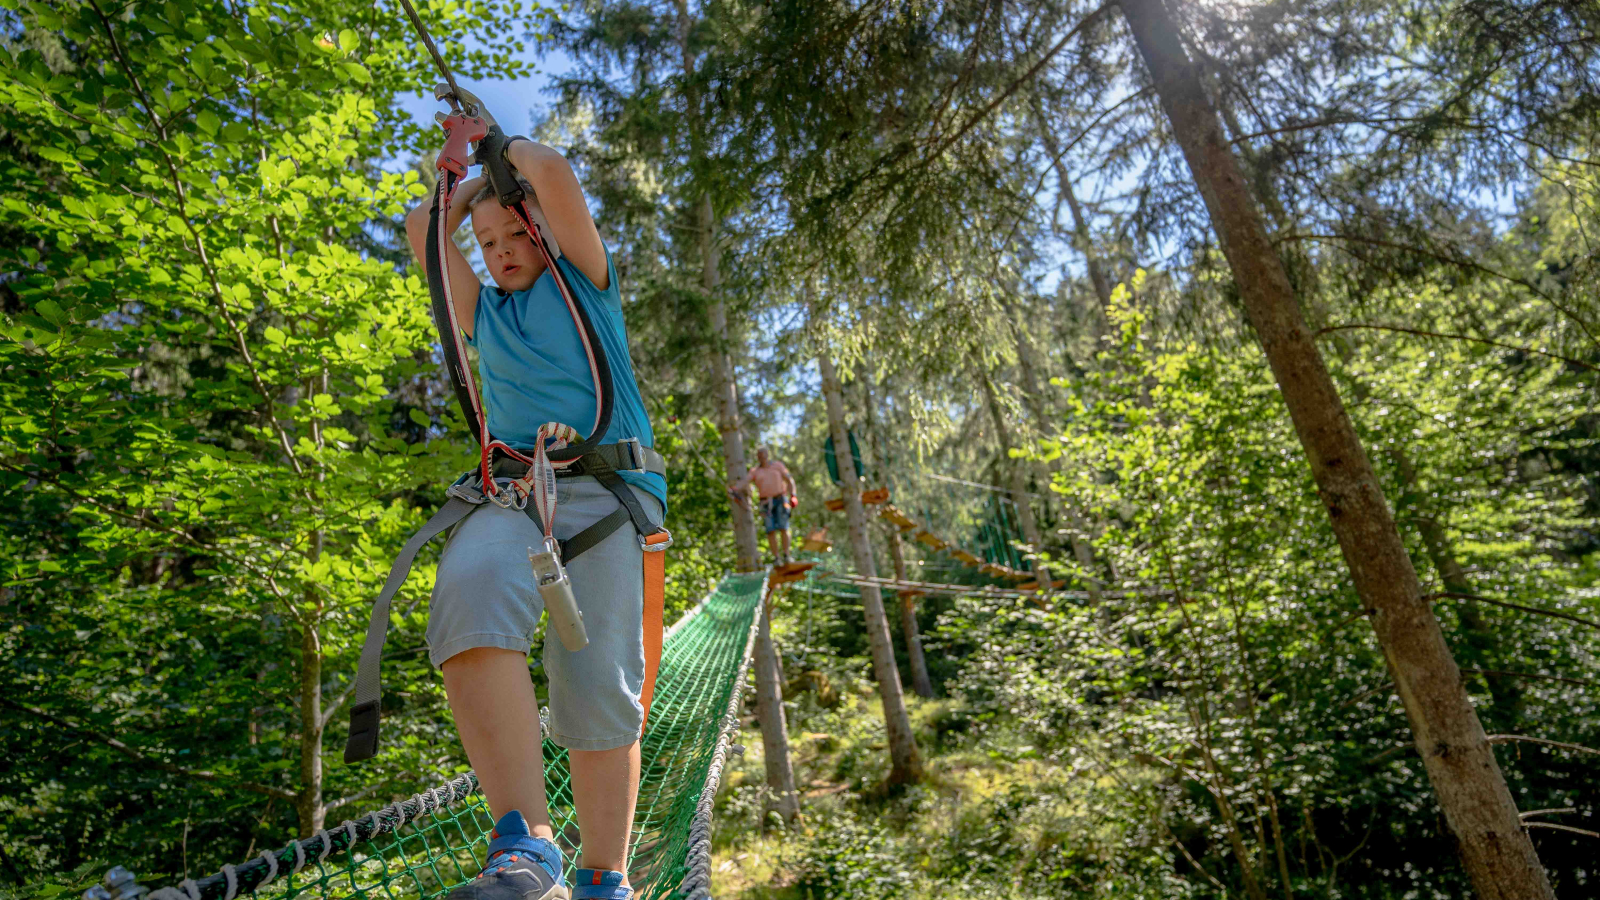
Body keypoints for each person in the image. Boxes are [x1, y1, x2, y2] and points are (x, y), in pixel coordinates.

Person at [404, 131, 666, 900]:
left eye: (517, 232)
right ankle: (526, 848)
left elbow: (548, 172)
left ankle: (602, 878)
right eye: (487, 242)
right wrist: (460, 183)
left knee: (597, 682)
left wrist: (497, 148)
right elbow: (422, 227)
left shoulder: (588, 287)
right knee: (469, 593)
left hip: (608, 495)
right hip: (515, 494)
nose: (500, 249)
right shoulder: (483, 315)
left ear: (545, 229)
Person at [730, 447, 799, 566]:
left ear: (768, 454)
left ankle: (787, 555)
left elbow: (789, 480)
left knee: (784, 527)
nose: (762, 456)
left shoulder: (778, 466)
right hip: (765, 503)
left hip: (781, 499)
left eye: (763, 453)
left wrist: (793, 495)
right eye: (759, 454)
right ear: (757, 457)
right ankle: (777, 558)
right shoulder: (755, 471)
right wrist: (735, 489)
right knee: (770, 530)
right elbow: (745, 481)